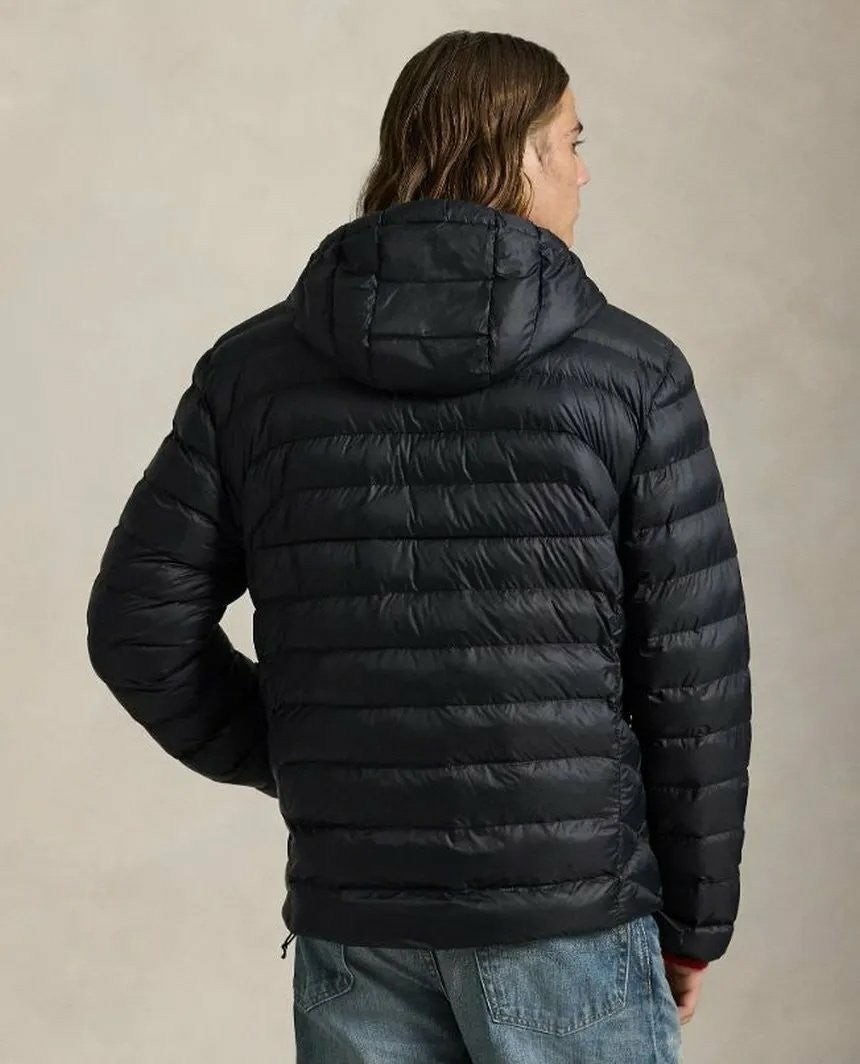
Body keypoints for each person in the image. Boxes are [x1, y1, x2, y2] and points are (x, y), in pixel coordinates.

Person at [86, 28, 752, 1064]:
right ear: (520, 154)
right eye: (572, 141)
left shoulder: (252, 375)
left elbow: (138, 624)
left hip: (358, 918)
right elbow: (692, 678)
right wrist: (697, 921)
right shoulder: (634, 374)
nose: (584, 171)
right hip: (567, 916)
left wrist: (321, 758)